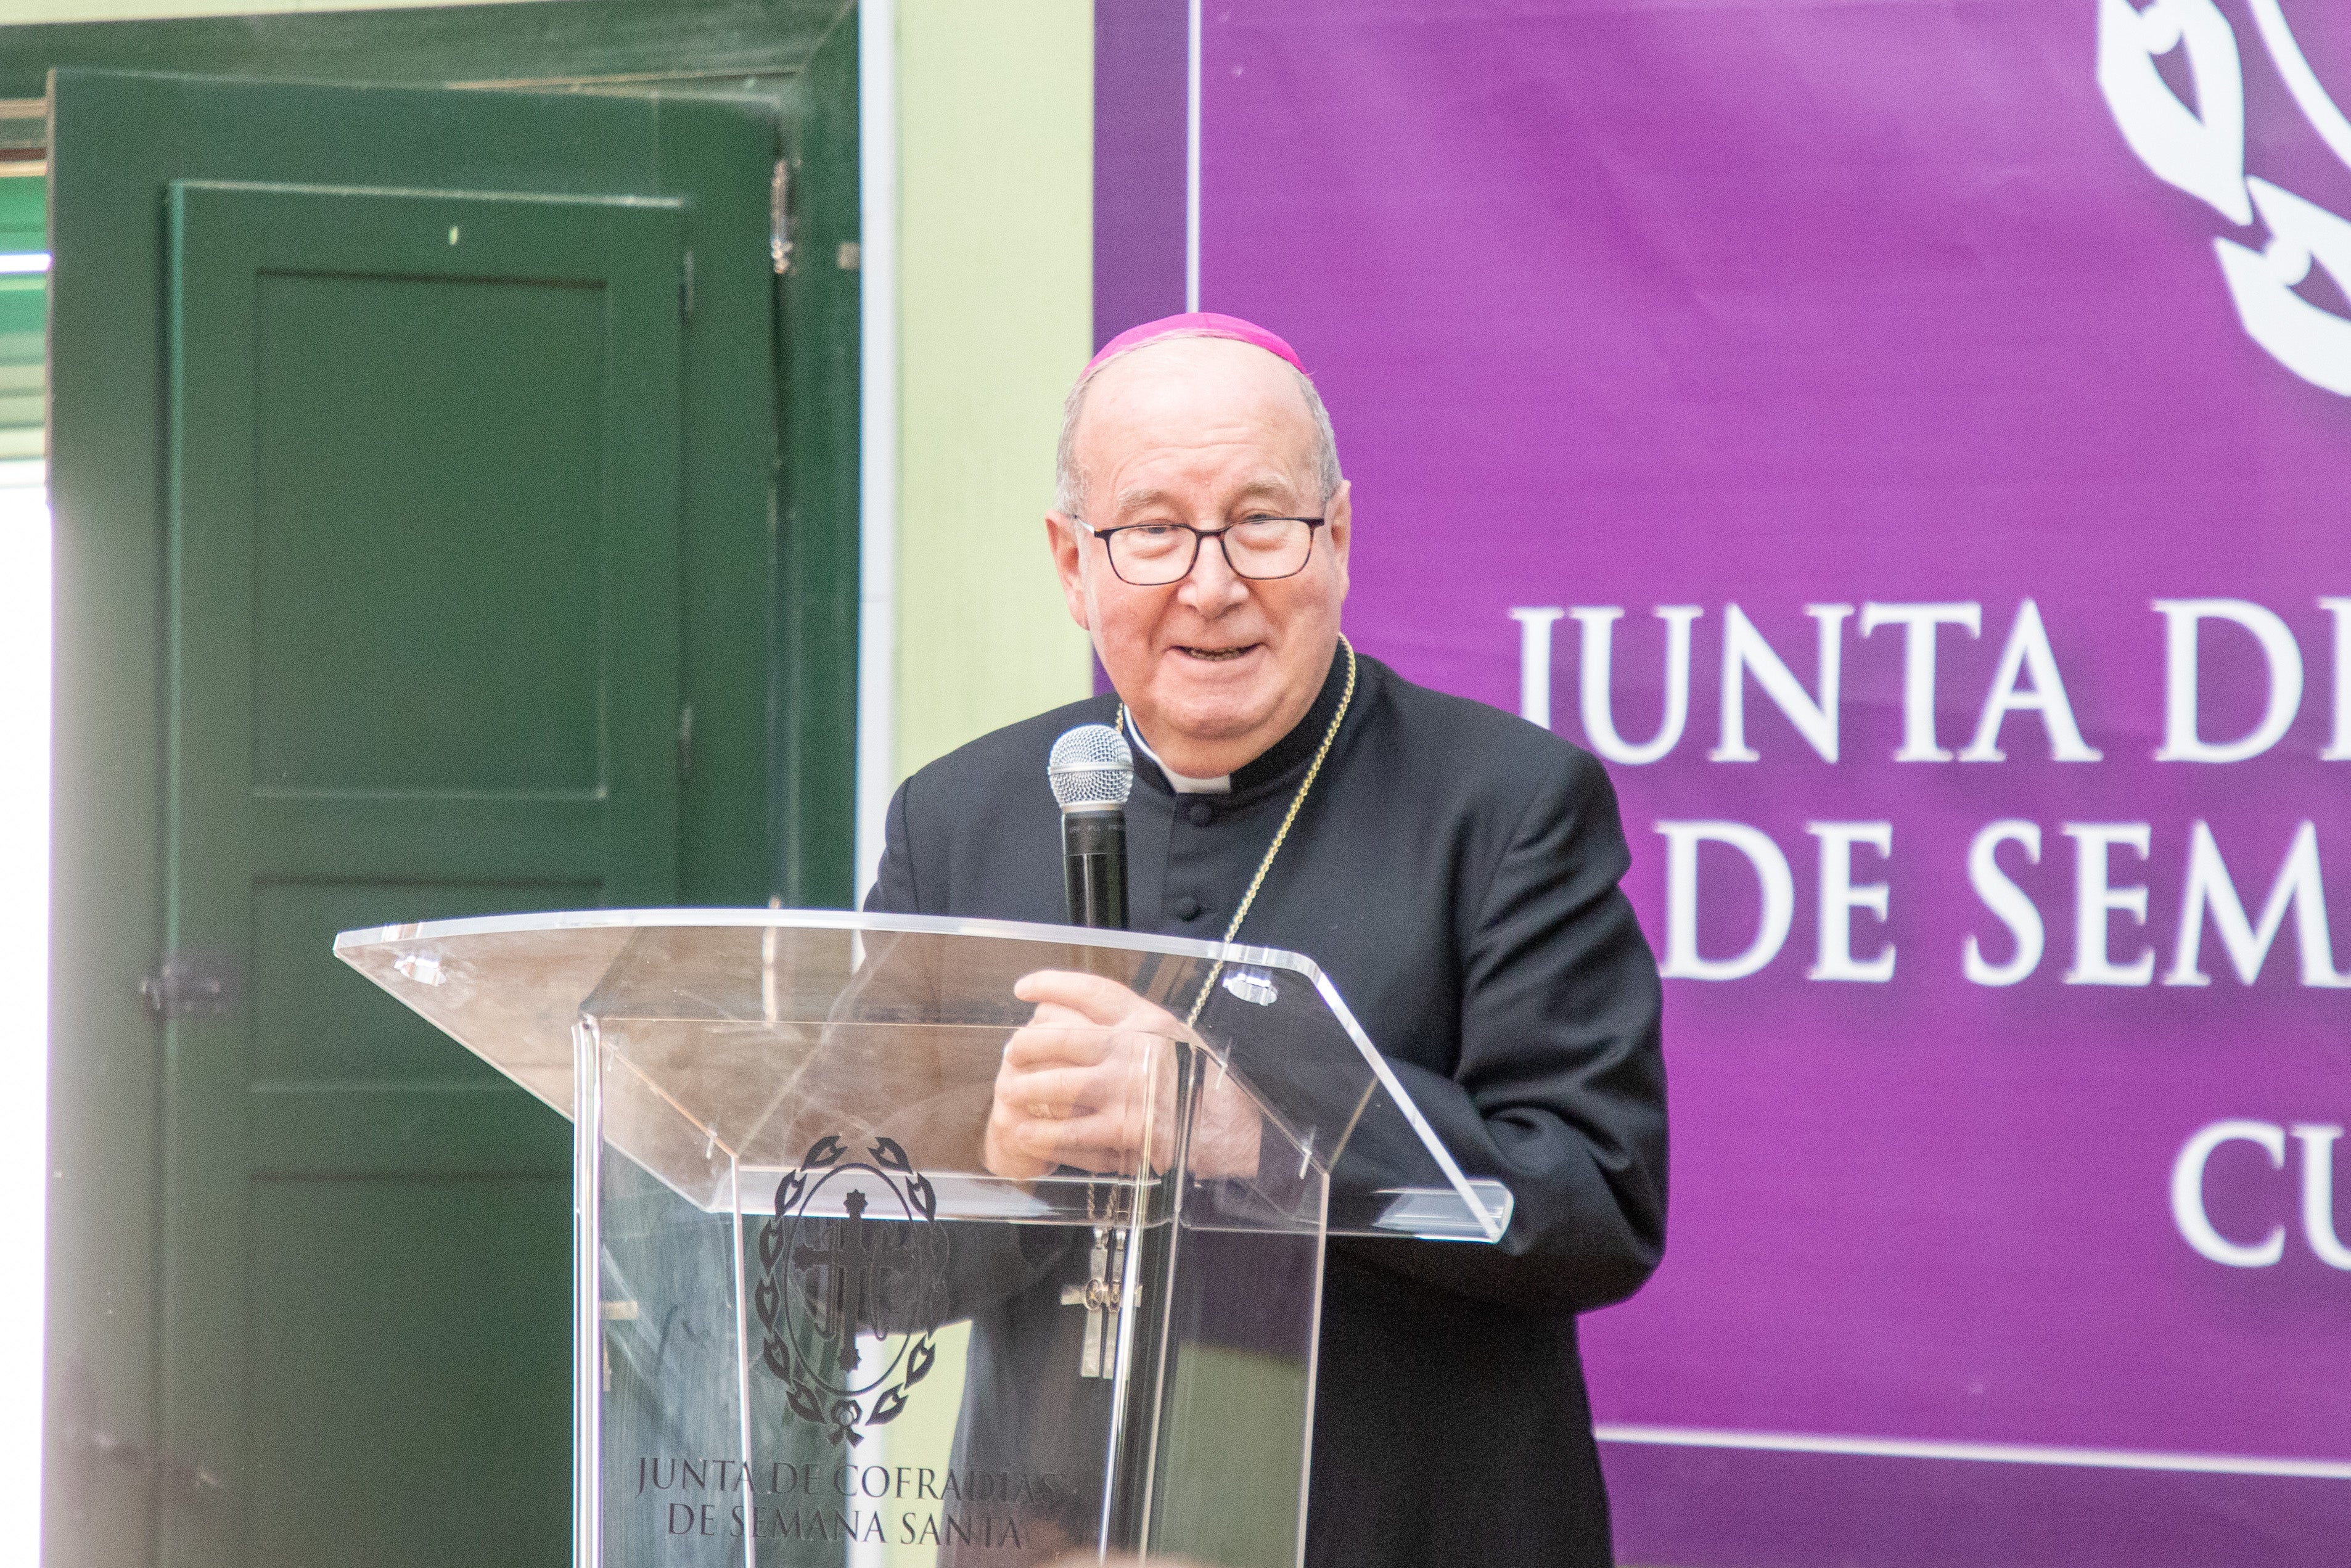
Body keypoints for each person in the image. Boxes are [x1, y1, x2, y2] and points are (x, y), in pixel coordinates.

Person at [865, 312, 1668, 1568]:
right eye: (1151, 530)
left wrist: (1255, 1129)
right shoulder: (957, 820)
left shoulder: (1504, 805)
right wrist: (994, 1157)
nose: (1210, 583)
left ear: (1334, 538)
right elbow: (846, 1271)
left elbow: (1592, 1207)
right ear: (1072, 562)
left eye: (1260, 521)